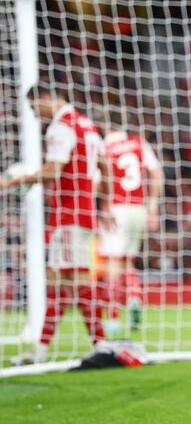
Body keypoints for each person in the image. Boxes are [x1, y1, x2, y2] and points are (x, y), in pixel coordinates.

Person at [0, 80, 113, 363]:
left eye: (34, 106)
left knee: (73, 280)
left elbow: (52, 170)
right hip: (84, 211)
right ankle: (43, 348)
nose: (34, 113)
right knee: (61, 280)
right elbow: (105, 166)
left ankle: (100, 343)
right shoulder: (86, 125)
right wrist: (106, 205)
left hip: (68, 214)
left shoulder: (60, 127)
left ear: (48, 98)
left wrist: (15, 180)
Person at [97, 116, 163, 335]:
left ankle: (113, 319)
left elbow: (99, 181)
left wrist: (104, 206)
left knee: (112, 264)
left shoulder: (104, 147)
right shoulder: (138, 143)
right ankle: (134, 296)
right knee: (128, 261)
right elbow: (156, 172)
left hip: (116, 208)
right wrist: (152, 206)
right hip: (139, 209)